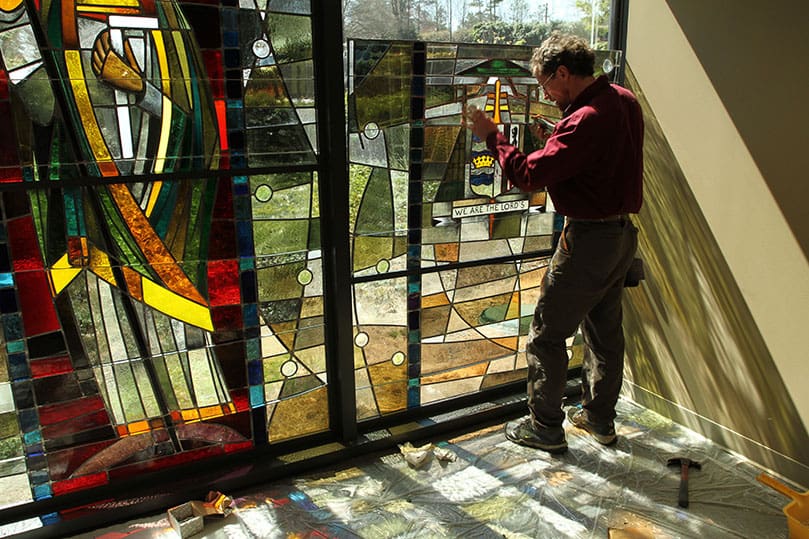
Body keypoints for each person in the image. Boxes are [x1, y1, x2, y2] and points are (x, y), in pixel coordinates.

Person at [463, 31, 644, 453]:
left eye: (546, 83)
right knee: (604, 332)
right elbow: (599, 159)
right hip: (621, 237)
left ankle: (544, 428)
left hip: (588, 242)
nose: (546, 92)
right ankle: (600, 419)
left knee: (547, 334)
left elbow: (527, 175)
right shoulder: (622, 100)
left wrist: (493, 136)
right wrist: (557, 134)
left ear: (563, 72)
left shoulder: (584, 120)